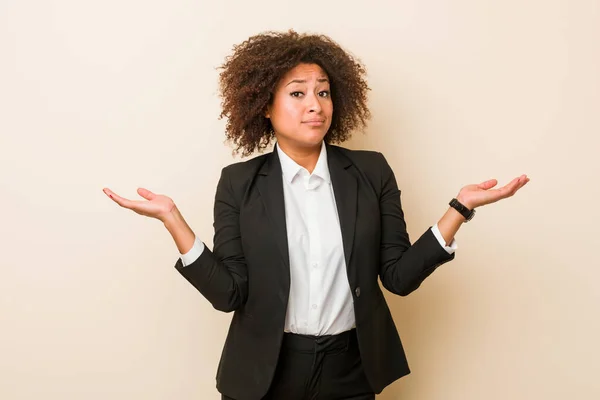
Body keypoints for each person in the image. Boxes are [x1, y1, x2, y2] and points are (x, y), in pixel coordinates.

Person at [103, 30, 529, 400]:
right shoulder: (238, 182)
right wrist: (172, 219)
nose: (316, 105)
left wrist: (459, 209)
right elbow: (228, 294)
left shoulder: (371, 171)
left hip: (350, 371)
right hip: (263, 376)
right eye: (297, 93)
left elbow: (398, 277)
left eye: (323, 92)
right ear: (264, 107)